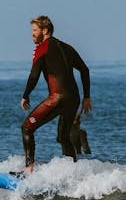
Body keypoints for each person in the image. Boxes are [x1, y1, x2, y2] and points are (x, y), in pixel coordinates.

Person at [19, 16, 92, 173]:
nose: (32, 34)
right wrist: (87, 97)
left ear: (44, 31)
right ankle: (73, 172)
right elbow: (85, 70)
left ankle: (28, 169)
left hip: (57, 97)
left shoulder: (42, 47)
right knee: (63, 137)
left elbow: (34, 75)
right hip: (74, 99)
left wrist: (26, 95)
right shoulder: (67, 47)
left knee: (26, 128)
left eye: (34, 30)